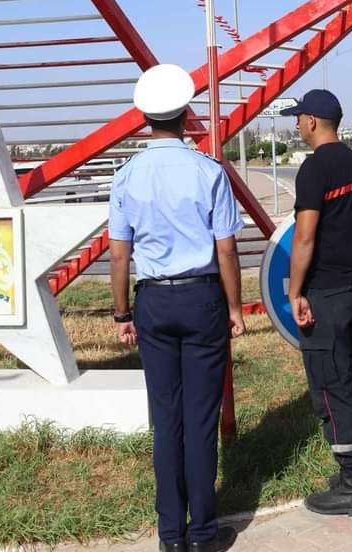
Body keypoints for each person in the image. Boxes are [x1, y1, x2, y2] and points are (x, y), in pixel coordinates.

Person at [108, 63, 244, 552]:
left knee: (166, 421)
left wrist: (122, 314)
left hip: (153, 301)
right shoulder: (208, 171)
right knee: (201, 418)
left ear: (145, 119)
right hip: (203, 298)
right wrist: (234, 308)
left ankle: (170, 536)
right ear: (187, 116)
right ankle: (204, 533)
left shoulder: (125, 176)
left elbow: (119, 255)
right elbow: (226, 250)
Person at [281, 89, 352, 517]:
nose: (296, 125)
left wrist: (295, 290)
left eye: (298, 118)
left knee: (331, 382)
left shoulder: (315, 168)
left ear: (313, 121)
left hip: (329, 293)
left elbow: (305, 236)